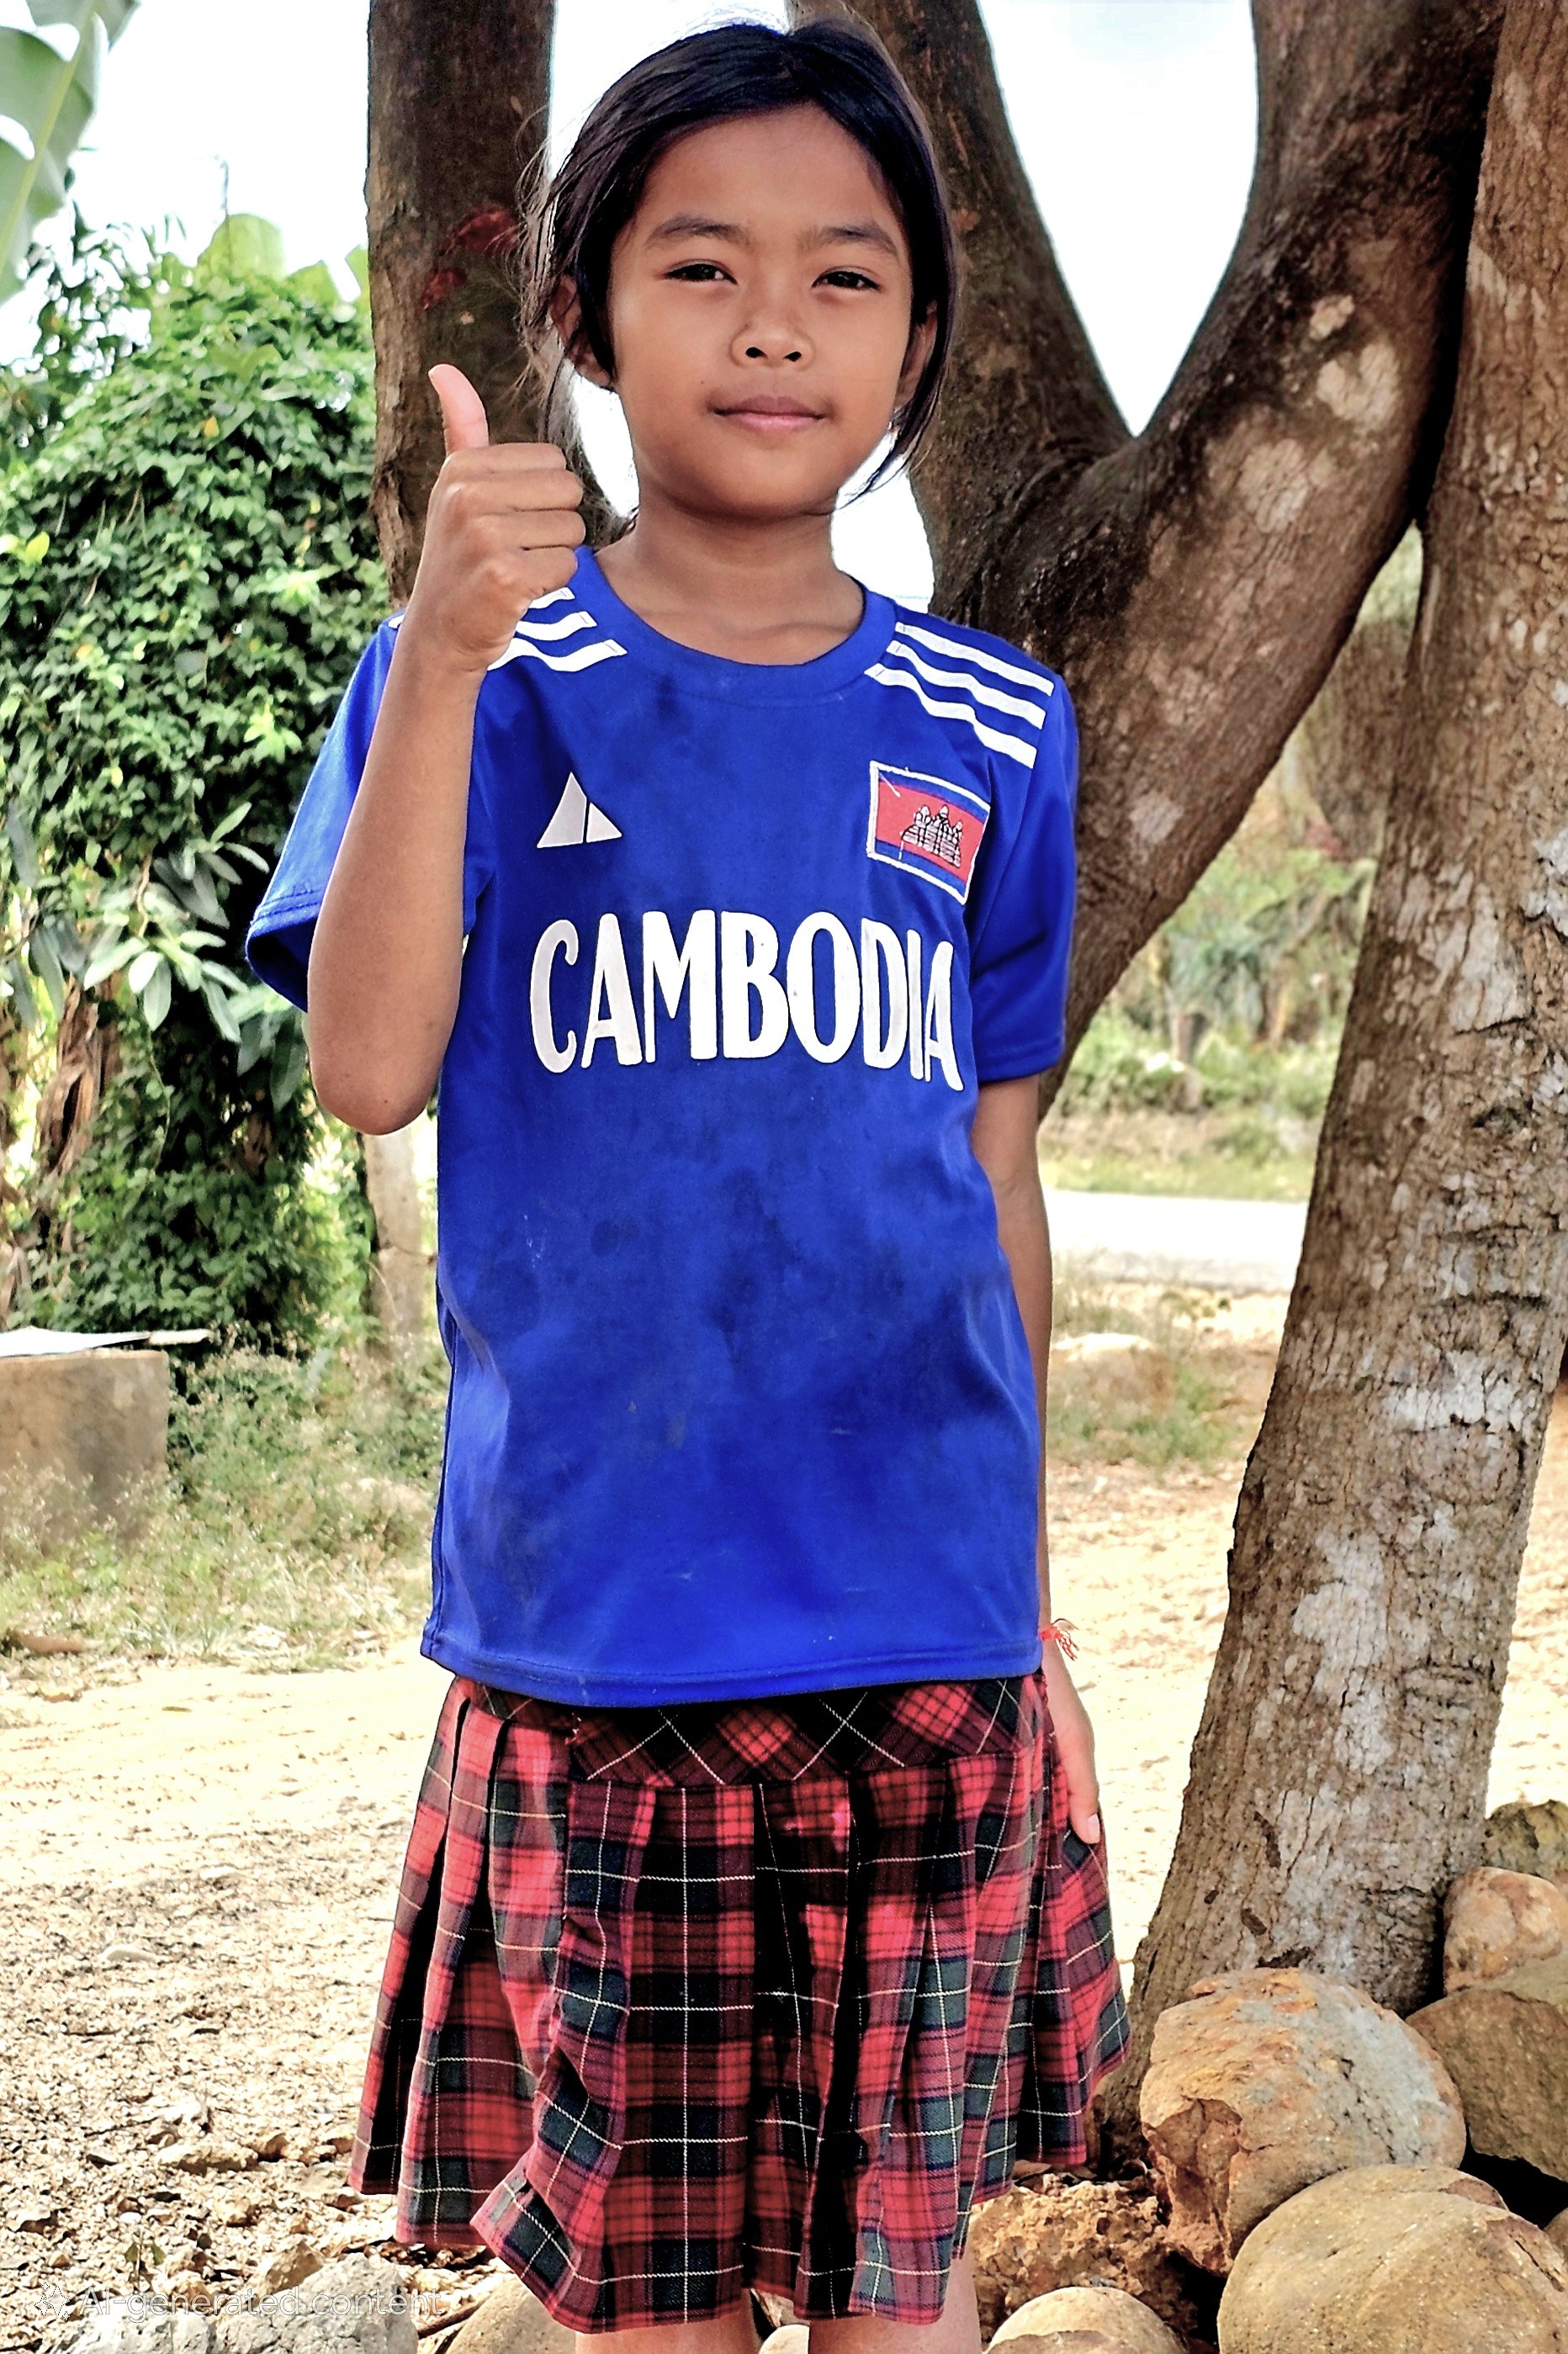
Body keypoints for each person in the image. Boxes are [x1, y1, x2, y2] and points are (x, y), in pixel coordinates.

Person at [246, 17, 1128, 2351]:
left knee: (899, 2301)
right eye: (701, 265)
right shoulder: (477, 676)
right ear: (586, 317)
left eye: (845, 278)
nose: (771, 326)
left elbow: (993, 1168)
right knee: (633, 2308)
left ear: (923, 337)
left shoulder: (997, 727)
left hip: (926, 1638)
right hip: (607, 1626)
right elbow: (370, 1065)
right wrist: (440, 657)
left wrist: (1025, 1599)